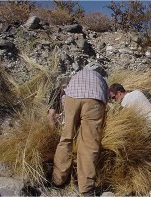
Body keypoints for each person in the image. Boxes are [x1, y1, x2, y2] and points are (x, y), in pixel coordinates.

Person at [52, 65, 109, 196]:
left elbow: (64, 97)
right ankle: (86, 188)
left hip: (73, 96)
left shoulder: (77, 75)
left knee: (66, 138)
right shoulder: (101, 79)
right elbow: (105, 102)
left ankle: (58, 180)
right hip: (94, 99)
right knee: (89, 145)